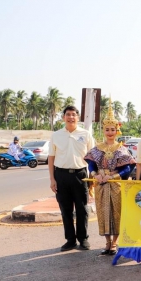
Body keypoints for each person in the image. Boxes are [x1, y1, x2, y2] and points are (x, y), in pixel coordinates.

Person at [84, 101, 135, 255]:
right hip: (100, 183)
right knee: (103, 212)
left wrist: (113, 176)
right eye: (107, 129)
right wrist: (96, 175)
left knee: (117, 213)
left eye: (113, 129)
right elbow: (91, 164)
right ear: (104, 130)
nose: (110, 132)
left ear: (117, 130)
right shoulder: (97, 148)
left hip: (116, 184)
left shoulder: (121, 149)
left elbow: (128, 167)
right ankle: (106, 241)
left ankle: (115, 242)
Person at [48, 106, 95, 251]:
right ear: (63, 117)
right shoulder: (56, 135)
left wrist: (92, 176)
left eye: (73, 115)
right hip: (61, 175)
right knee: (65, 209)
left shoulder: (86, 134)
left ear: (78, 117)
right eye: (68, 114)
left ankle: (83, 239)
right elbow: (51, 157)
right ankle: (70, 239)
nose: (71, 117)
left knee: (82, 209)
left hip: (80, 175)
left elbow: (93, 157)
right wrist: (52, 179)